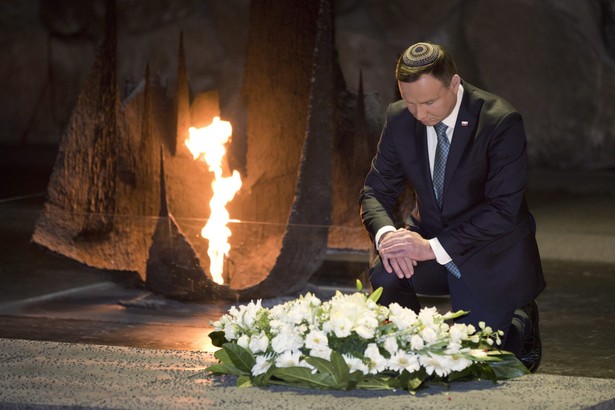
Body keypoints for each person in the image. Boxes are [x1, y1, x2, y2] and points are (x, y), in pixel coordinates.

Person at [359, 41, 546, 372]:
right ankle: (411, 350)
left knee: (471, 365)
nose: (419, 114)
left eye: (429, 102)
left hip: (491, 251)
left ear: (454, 84)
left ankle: (520, 323)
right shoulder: (401, 118)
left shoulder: (500, 122)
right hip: (432, 240)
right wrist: (388, 236)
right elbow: (375, 189)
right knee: (386, 274)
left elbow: (503, 212)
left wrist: (431, 247)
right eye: (410, 102)